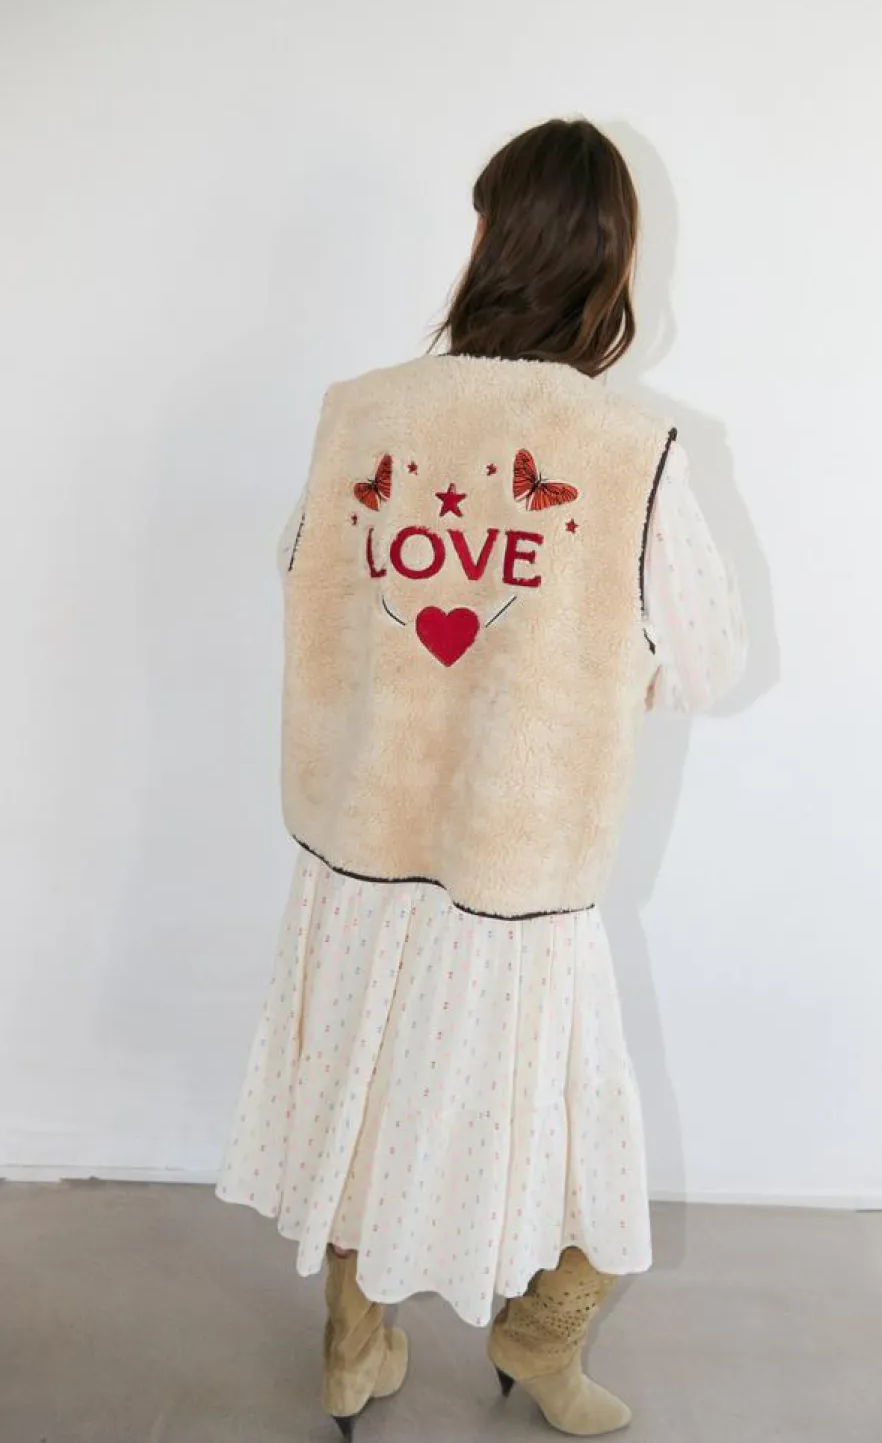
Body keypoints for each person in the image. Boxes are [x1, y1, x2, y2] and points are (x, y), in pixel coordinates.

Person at [217, 118, 746, 1439]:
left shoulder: (363, 414)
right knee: (568, 1131)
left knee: (366, 1088)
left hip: (360, 846)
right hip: (515, 870)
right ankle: (534, 1341)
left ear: (488, 241)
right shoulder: (628, 451)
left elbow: (300, 571)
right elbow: (708, 663)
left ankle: (355, 1344)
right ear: (610, 262)